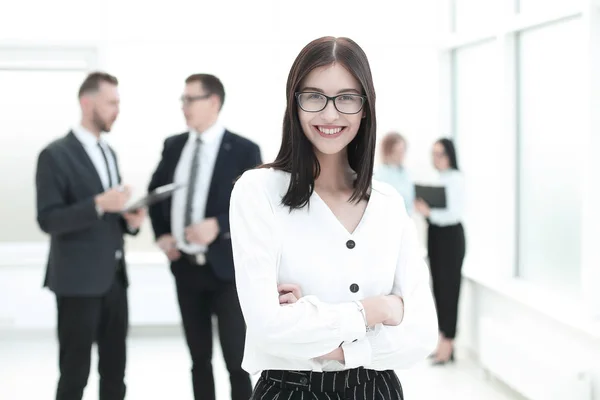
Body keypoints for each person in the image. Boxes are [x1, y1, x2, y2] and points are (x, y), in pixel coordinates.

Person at [229, 36, 438, 400]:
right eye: (313, 96)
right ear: (294, 105)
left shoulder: (388, 203)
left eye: (346, 98)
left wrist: (330, 337)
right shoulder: (258, 191)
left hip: (377, 389)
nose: (329, 114)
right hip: (290, 391)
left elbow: (421, 333)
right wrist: (379, 308)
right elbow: (267, 329)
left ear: (365, 108)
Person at [147, 73, 261, 400]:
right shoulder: (174, 146)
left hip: (226, 271)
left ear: (213, 102)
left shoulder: (243, 150)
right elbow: (155, 194)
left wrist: (219, 226)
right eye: (182, 100)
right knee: (198, 360)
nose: (183, 106)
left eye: (189, 99)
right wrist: (163, 234)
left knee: (237, 361)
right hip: (185, 268)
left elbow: (255, 209)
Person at [35, 72, 146, 400]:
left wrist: (131, 220)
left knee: (115, 373)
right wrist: (98, 204)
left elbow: (109, 215)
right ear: (87, 103)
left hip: (115, 280)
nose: (117, 110)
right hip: (76, 283)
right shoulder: (54, 155)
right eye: (111, 102)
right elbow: (48, 219)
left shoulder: (109, 152)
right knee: (74, 375)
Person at [414, 138, 466, 366]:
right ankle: (443, 341)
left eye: (440, 154)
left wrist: (428, 212)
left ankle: (448, 344)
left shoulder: (455, 179)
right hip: (436, 235)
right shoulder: (438, 178)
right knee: (438, 289)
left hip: (450, 238)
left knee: (450, 289)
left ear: (450, 156)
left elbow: (453, 215)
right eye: (433, 154)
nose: (436, 159)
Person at [375, 132, 415, 215]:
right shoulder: (378, 174)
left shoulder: (407, 173)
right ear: (387, 151)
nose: (401, 155)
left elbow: (410, 201)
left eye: (402, 151)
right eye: (397, 151)